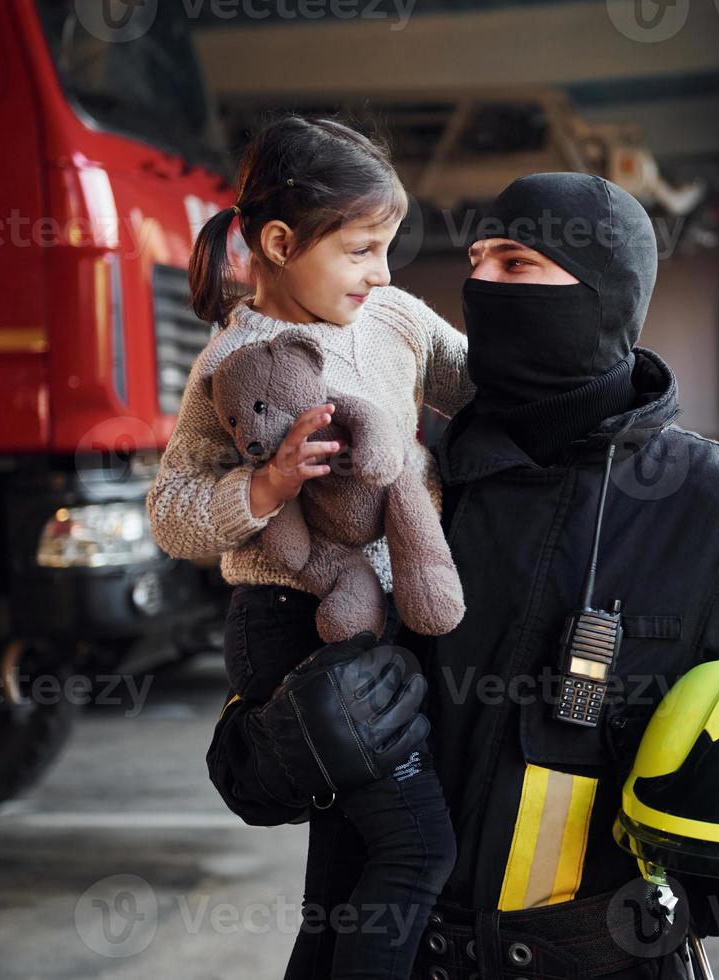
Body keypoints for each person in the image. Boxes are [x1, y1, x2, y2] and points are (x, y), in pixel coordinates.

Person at [206, 172, 719, 978]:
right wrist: (288, 745)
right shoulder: (388, 482)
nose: (479, 284)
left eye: (516, 264)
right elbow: (245, 765)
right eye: (478, 259)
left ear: (601, 296)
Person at [146, 114, 474, 980]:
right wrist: (265, 488)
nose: (382, 271)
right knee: (415, 854)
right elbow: (170, 512)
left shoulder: (395, 317)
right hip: (293, 630)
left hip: (380, 625)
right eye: (362, 250)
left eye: (386, 247)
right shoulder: (233, 364)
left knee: (345, 875)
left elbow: (480, 380)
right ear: (282, 243)